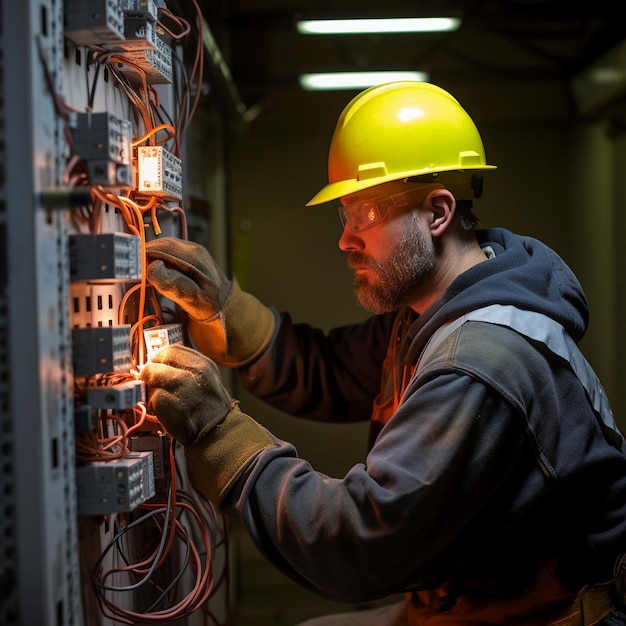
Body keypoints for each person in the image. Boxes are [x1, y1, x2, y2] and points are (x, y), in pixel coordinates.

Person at [139, 81, 626, 625]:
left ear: (437, 213)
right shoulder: (436, 309)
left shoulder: (482, 362)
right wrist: (224, 311)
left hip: (547, 615)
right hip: (472, 596)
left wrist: (216, 435)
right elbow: (331, 371)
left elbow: (359, 545)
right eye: (343, 213)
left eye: (365, 213)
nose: (346, 239)